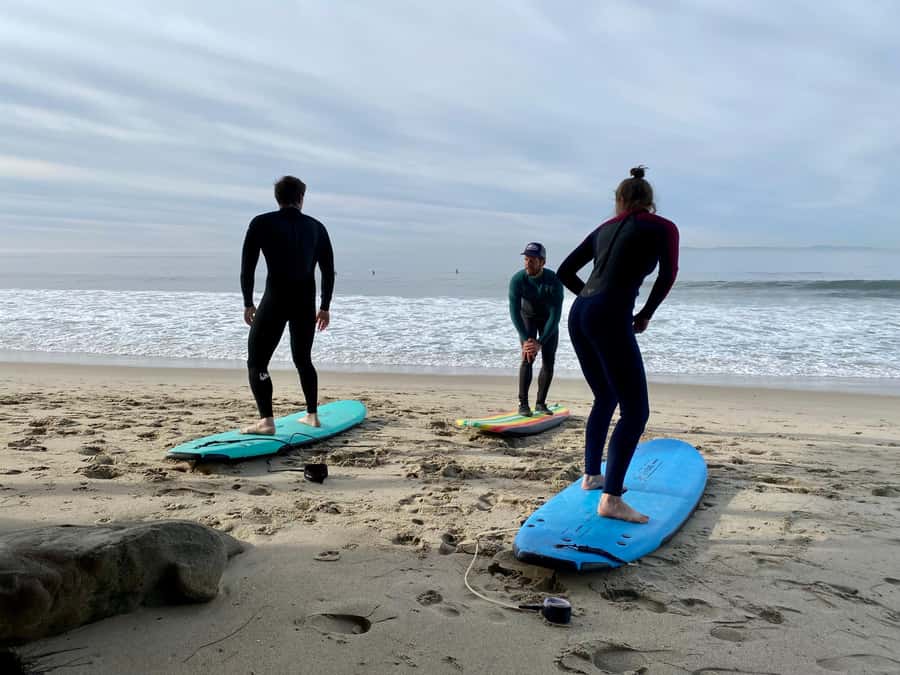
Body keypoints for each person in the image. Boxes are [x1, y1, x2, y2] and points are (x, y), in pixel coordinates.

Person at [557, 167, 679, 523]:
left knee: (606, 397)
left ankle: (592, 475)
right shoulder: (663, 227)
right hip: (608, 315)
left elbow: (565, 270)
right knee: (635, 411)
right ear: (649, 200)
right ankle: (610, 499)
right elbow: (668, 275)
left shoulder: (603, 229)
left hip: (579, 314)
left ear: (620, 200)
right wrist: (645, 314)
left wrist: (593, 300)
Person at [239, 176, 335, 433]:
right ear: (301, 198)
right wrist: (325, 307)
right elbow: (328, 271)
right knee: (303, 359)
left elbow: (248, 267)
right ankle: (312, 415)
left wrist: (248, 302)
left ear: (277, 198)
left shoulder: (261, 223)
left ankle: (266, 421)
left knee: (257, 362)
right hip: (305, 302)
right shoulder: (317, 228)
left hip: (275, 300)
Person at [508, 242, 564, 417]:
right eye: (526, 259)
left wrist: (541, 342)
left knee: (548, 362)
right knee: (528, 357)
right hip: (527, 318)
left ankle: (540, 403)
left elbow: (555, 316)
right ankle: (523, 404)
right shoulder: (518, 280)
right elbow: (514, 312)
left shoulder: (553, 281)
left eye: (532, 260)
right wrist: (526, 340)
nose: (527, 263)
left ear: (542, 262)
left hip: (548, 321)